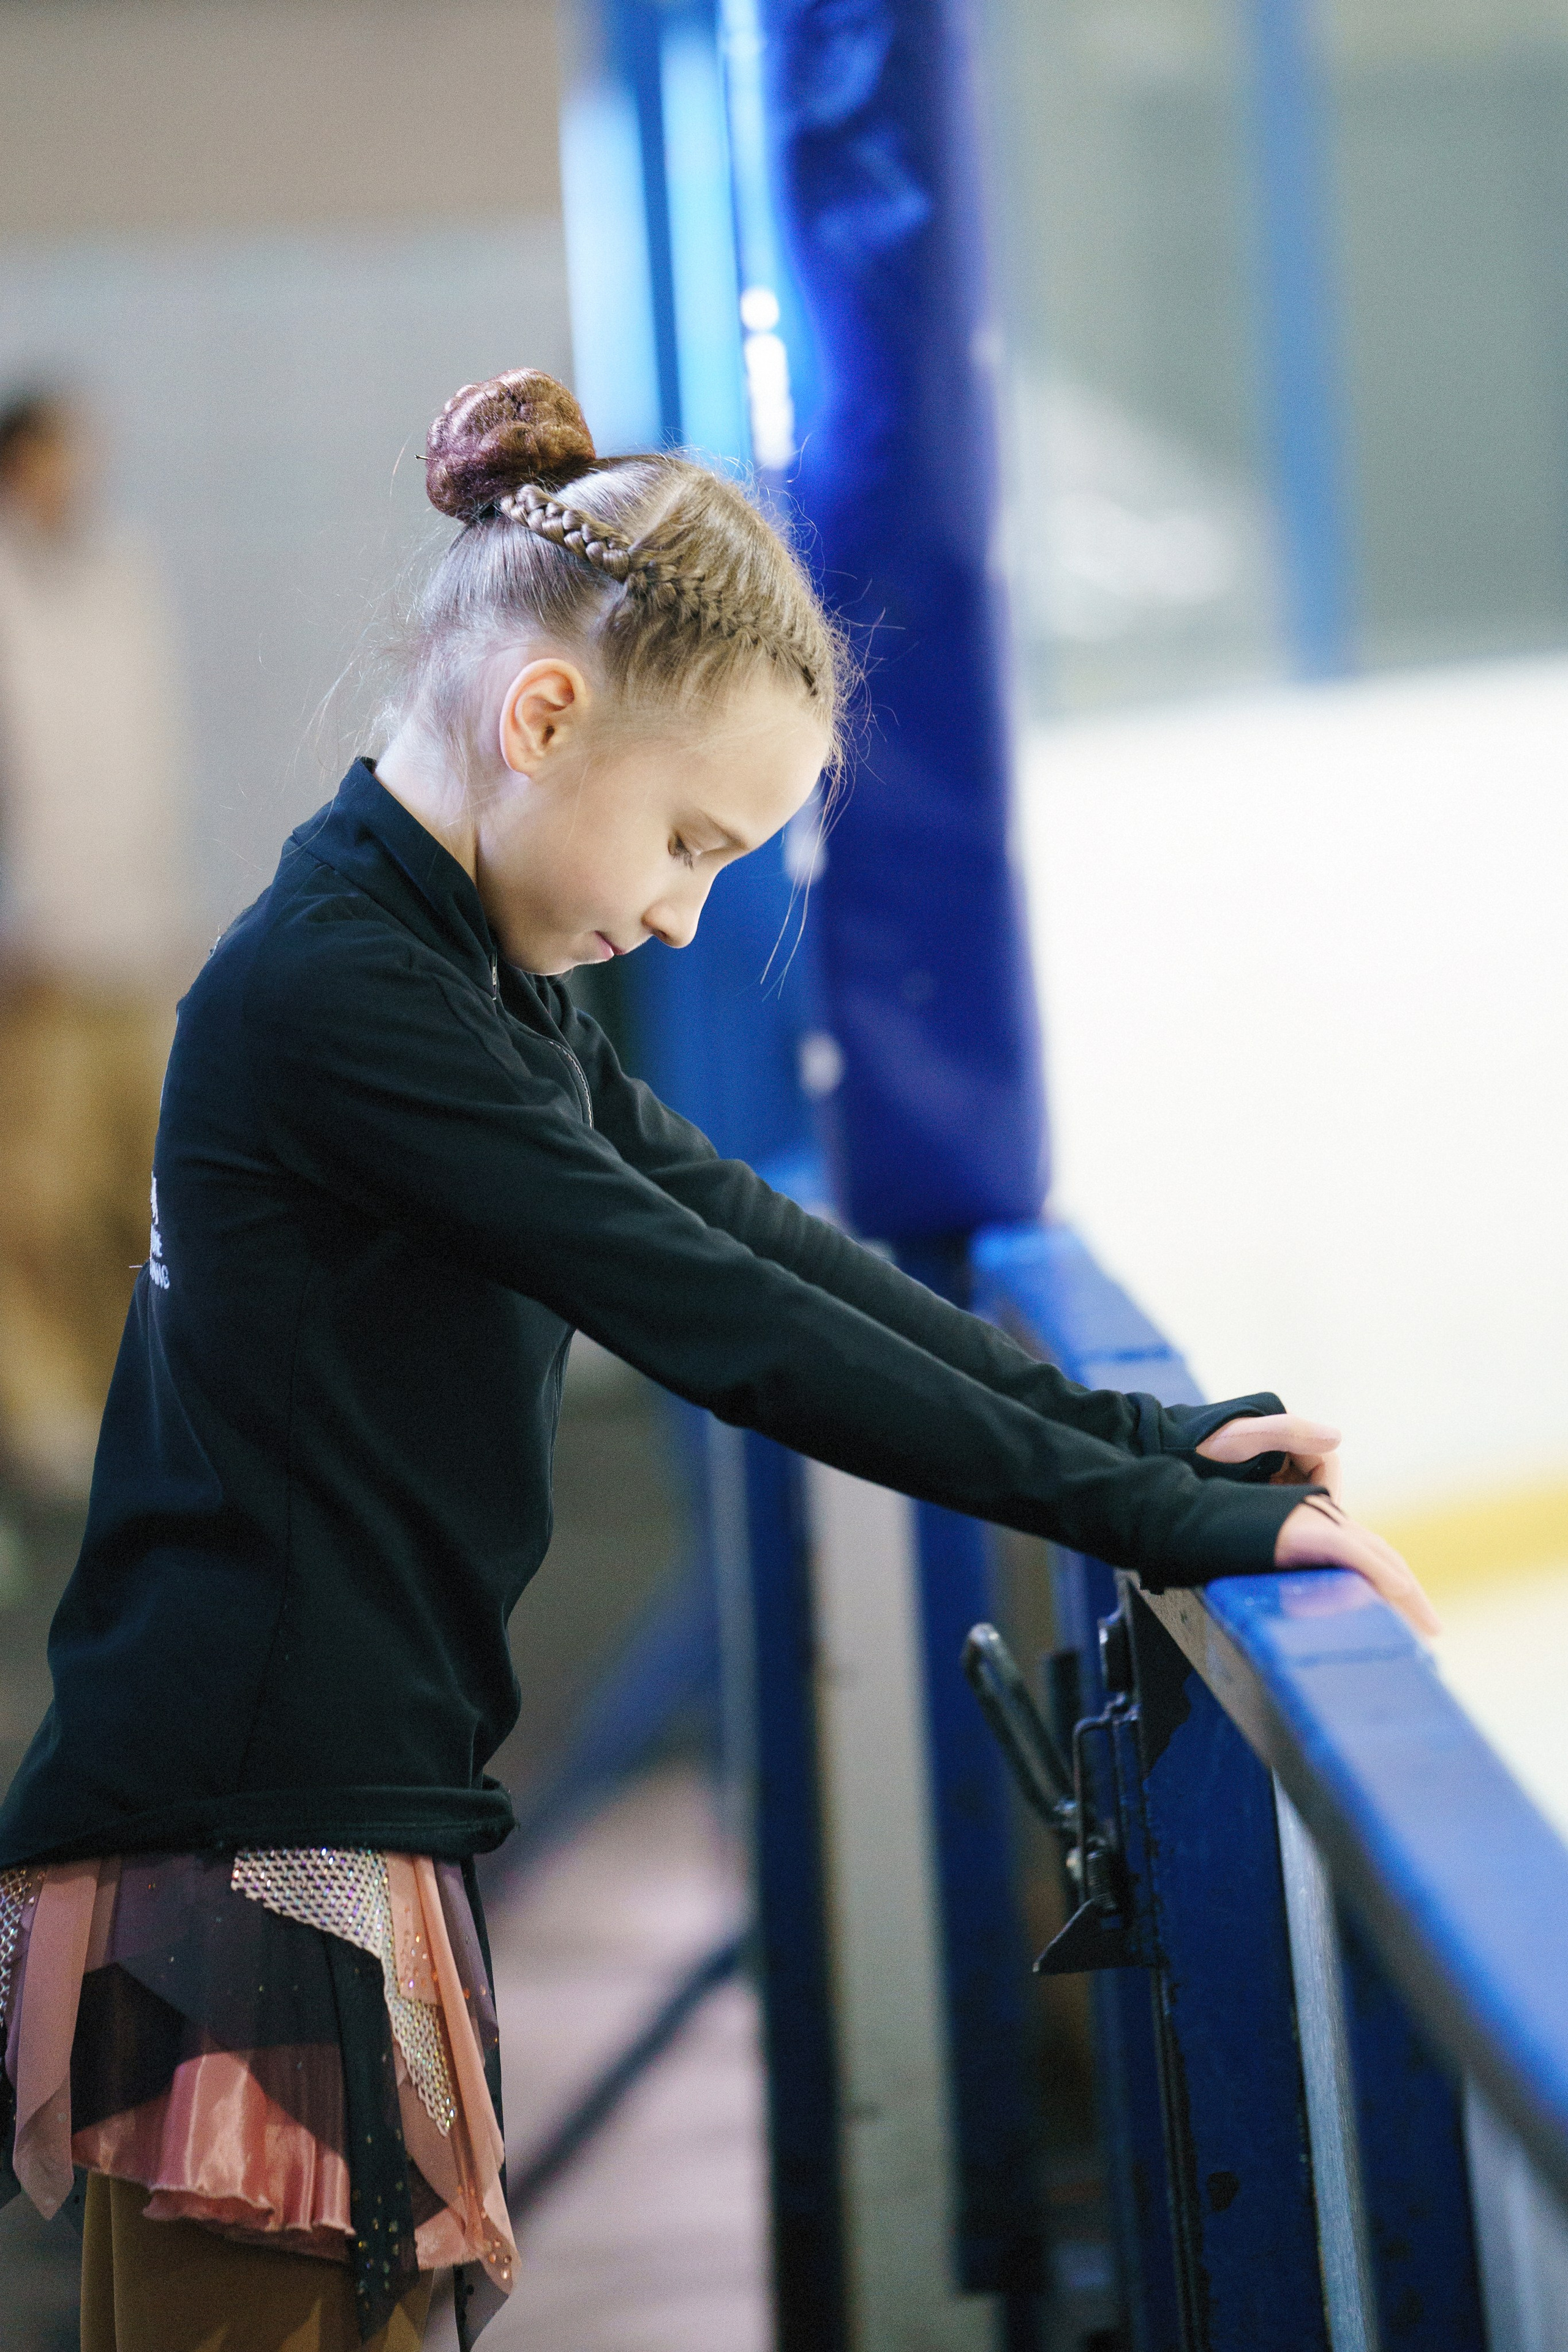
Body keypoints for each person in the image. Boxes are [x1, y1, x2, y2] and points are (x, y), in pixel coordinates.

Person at [0, 370, 1437, 2351]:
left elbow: (743, 1237)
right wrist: (1162, 1519)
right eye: (684, 843)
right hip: (252, 1847)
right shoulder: (347, 995)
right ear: (544, 718)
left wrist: (1149, 1445)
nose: (680, 920)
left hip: (316, 1812)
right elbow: (726, 1327)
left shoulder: (452, 969)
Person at [0, 390, 193, 1502]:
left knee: (147, 1185)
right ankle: (47, 1409)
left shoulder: (121, 573)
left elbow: (146, 757)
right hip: (37, 959)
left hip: (135, 931)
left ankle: (147, 1395)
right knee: (35, 1204)